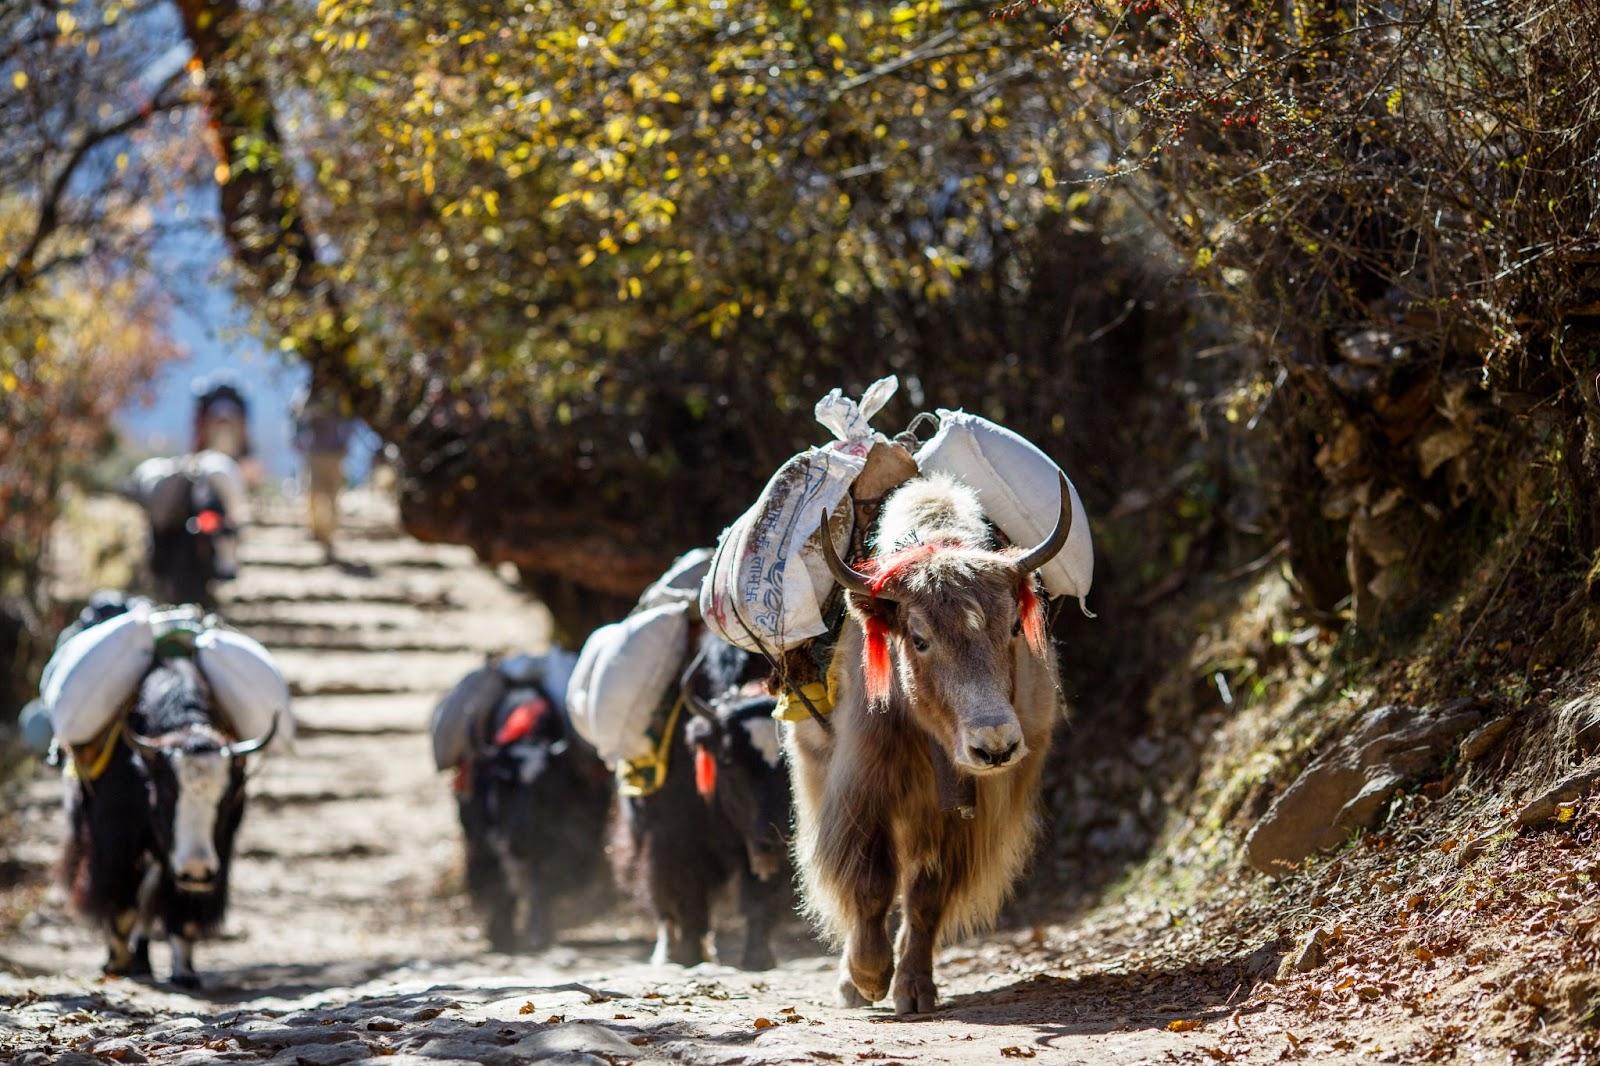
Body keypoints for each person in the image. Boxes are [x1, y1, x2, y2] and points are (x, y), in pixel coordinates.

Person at [292, 386, 357, 560]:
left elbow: (349, 420)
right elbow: (298, 416)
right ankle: (319, 532)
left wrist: (345, 441)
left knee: (333, 494)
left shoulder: (338, 396)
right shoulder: (308, 394)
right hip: (316, 452)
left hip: (334, 453)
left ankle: (328, 534)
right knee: (316, 493)